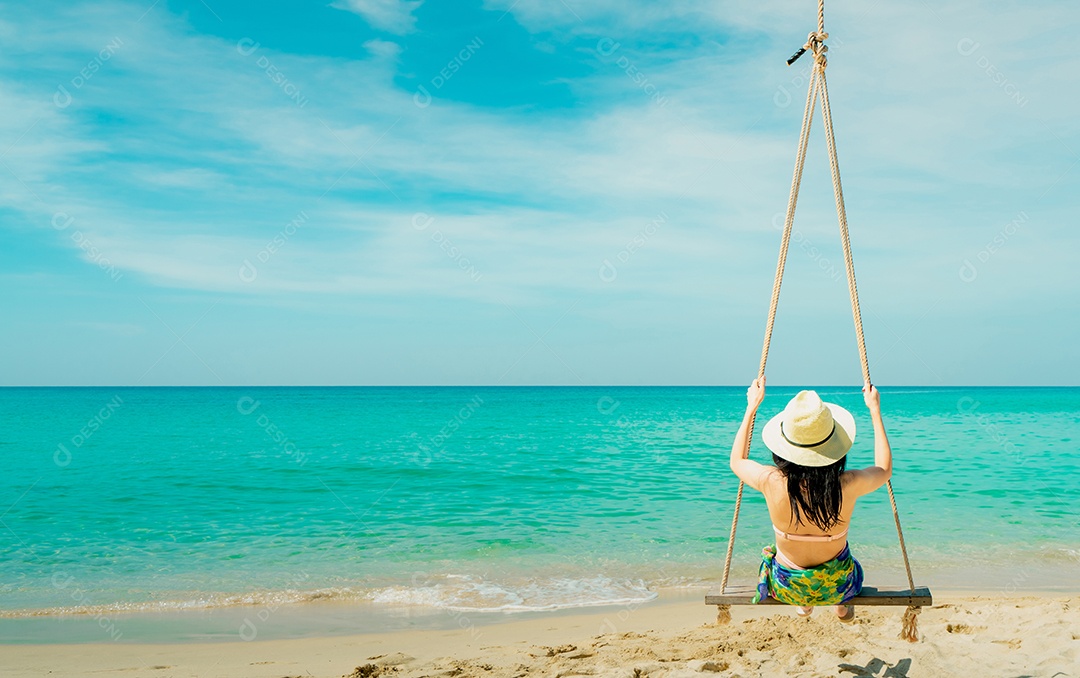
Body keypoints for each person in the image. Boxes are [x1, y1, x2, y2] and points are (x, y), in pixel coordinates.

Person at [729, 376, 892, 622]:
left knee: (777, 558)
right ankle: (841, 606)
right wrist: (875, 410)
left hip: (787, 586)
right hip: (836, 584)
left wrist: (751, 407)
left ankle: (804, 605)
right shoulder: (847, 484)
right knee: (846, 564)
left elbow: (737, 461)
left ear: (784, 447)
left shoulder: (771, 481)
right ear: (835, 447)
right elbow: (884, 468)